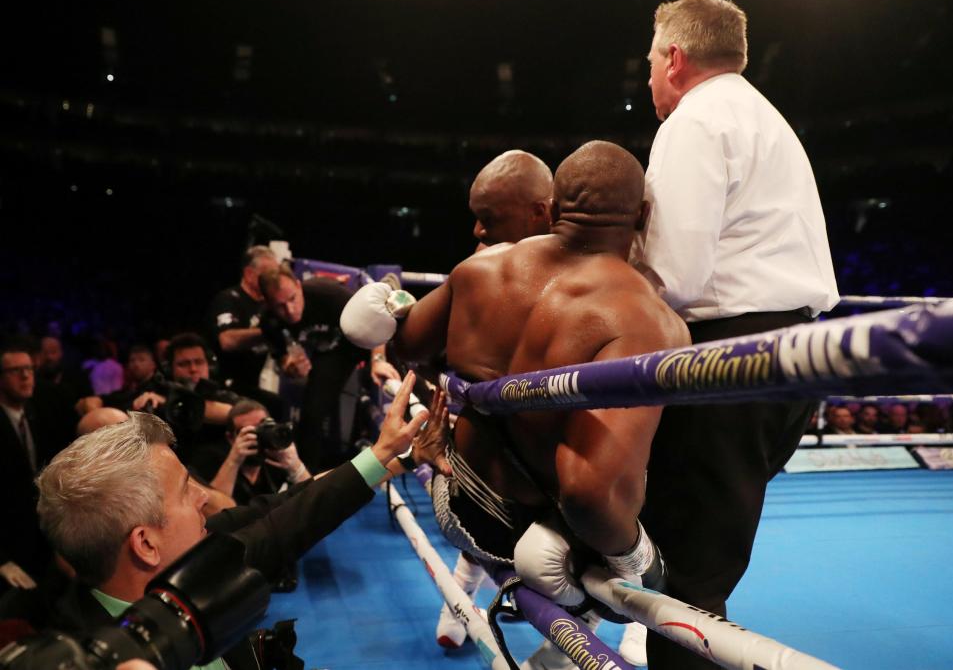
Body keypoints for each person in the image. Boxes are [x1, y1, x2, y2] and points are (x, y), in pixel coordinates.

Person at [343, 141, 689, 665]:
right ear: (642, 217)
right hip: (529, 543)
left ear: (550, 210)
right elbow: (588, 495)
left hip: (450, 497)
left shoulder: (479, 269)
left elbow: (409, 345)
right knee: (634, 499)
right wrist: (638, 560)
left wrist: (394, 295)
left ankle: (542, 650)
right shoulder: (648, 320)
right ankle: (579, 643)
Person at [635, 0, 839, 669]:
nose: (647, 78)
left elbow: (676, 275)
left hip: (729, 359)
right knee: (702, 562)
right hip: (791, 358)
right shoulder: (766, 118)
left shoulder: (697, 121)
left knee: (688, 579)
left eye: (649, 62)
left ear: (674, 57)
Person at [34, 371, 429, 670]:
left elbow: (287, 513)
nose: (203, 497)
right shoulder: (83, 656)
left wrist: (387, 454)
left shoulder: (193, 558)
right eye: (186, 491)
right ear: (146, 543)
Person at [435, 148, 554, 650]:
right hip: (492, 467)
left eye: (489, 220)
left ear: (539, 214)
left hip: (560, 457)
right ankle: (461, 591)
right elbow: (414, 342)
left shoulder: (592, 273)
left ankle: (634, 618)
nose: (478, 233)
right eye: (477, 218)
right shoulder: (478, 273)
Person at [259, 265, 400, 470]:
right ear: (268, 304)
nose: (290, 310)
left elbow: (377, 317)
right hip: (335, 352)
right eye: (280, 306)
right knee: (312, 414)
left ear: (299, 286)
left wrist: (378, 359)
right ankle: (307, 482)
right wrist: (290, 368)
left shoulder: (326, 293)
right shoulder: (269, 322)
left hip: (368, 332)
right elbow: (283, 360)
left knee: (403, 377)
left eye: (292, 299)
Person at [0, 340, 71, 594]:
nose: (26, 376)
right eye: (15, 370)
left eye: (29, 368)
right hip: (10, 543)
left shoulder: (40, 411)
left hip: (45, 539)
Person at [191, 398, 311, 505]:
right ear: (231, 438)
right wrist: (234, 461)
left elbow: (315, 498)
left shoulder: (278, 458)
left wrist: (296, 467)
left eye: (264, 427)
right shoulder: (211, 459)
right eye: (249, 431)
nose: (258, 436)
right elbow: (215, 510)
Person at [205, 246, 281, 406]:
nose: (274, 279)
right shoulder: (228, 299)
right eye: (268, 274)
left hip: (259, 384)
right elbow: (227, 341)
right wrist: (266, 332)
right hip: (227, 386)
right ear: (249, 273)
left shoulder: (270, 306)